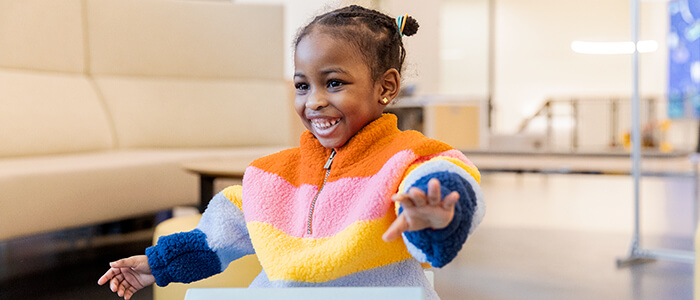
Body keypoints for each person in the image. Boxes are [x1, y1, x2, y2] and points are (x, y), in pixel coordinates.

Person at [98, 5, 485, 300]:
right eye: (302, 86)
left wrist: (438, 213)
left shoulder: (408, 158)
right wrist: (156, 264)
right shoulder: (273, 174)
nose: (314, 101)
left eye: (333, 83)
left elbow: (448, 181)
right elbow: (217, 235)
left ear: (385, 87)